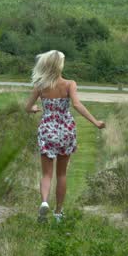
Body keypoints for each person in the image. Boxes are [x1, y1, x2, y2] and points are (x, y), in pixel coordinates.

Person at [24, 50, 105, 223]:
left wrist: (34, 109)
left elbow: (27, 107)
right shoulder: (69, 84)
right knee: (61, 174)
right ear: (60, 65)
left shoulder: (40, 86)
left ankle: (44, 202)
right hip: (65, 129)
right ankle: (58, 212)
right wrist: (95, 122)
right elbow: (77, 104)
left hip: (47, 129)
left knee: (46, 174)